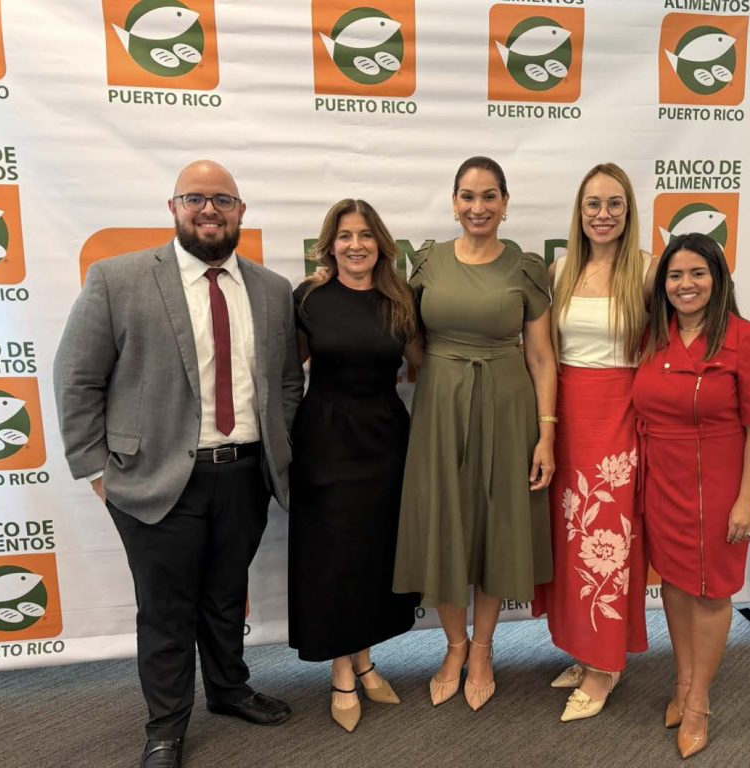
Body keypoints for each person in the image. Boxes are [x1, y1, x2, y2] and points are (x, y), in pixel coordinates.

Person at [54, 160, 303, 768]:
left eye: (223, 200)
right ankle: (166, 726)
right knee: (166, 609)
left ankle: (228, 689)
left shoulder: (272, 290)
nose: (209, 210)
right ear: (173, 208)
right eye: (195, 198)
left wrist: (278, 445)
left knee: (226, 595)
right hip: (154, 479)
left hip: (245, 474)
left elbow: (287, 382)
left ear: (241, 212)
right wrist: (97, 472)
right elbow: (77, 378)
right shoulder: (118, 280)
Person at [393, 156, 558, 711]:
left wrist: (546, 434)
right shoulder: (427, 262)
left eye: (489, 196)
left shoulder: (525, 268)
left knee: (495, 524)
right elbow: (407, 336)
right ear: (454, 202)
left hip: (508, 408)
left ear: (505, 203)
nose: (478, 207)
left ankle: (483, 649)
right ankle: (454, 646)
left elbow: (541, 356)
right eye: (467, 195)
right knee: (445, 521)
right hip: (440, 407)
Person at [632, 232, 750, 759]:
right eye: (675, 275)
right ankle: (682, 680)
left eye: (697, 273)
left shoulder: (745, 338)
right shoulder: (654, 336)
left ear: (717, 279)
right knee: (674, 582)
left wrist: (747, 499)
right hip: (662, 480)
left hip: (717, 482)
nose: (685, 284)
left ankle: (698, 703)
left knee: (712, 592)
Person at [288, 199, 421, 733]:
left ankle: (364, 660)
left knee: (369, 556)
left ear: (381, 244)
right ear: (330, 245)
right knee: (334, 558)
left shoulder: (401, 299)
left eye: (365, 234)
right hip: (325, 440)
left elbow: (425, 365)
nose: (356, 244)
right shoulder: (308, 298)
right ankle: (343, 671)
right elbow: (285, 372)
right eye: (345, 236)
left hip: (385, 441)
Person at [532, 163, 652, 722]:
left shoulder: (648, 271)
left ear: (628, 211)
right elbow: (544, 355)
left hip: (619, 420)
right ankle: (584, 651)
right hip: (567, 416)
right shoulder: (560, 270)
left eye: (614, 204)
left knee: (609, 544)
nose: (603, 215)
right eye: (593, 205)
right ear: (579, 213)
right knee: (571, 542)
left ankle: (606, 665)